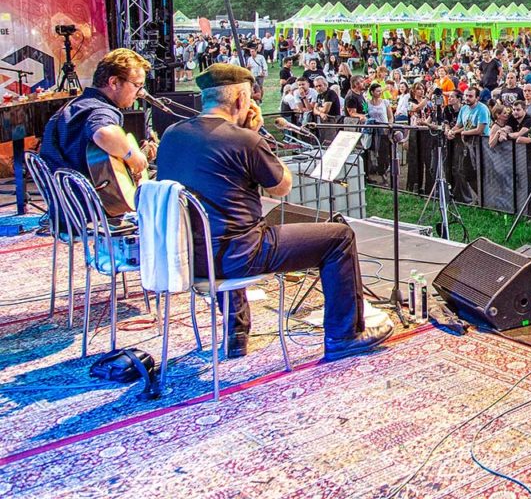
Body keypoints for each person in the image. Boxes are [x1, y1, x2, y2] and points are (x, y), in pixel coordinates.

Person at [156, 64, 390, 360]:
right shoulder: (244, 139)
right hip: (240, 255)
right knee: (339, 237)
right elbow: (282, 186)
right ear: (241, 100)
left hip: (188, 256)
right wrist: (254, 136)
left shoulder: (172, 134)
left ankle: (235, 332)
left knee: (222, 226)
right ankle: (344, 335)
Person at [40, 48, 155, 192]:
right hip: (88, 203)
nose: (141, 93)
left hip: (67, 205)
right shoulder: (101, 110)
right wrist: (132, 155)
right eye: (137, 85)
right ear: (114, 82)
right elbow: (103, 133)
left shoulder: (76, 106)